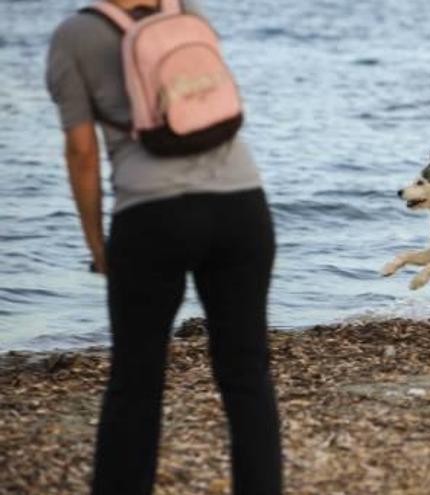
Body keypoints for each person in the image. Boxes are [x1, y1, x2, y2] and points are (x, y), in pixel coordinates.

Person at [45, 0, 283, 493]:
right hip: (242, 204)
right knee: (247, 375)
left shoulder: (73, 35)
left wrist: (98, 244)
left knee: (136, 380)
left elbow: (81, 150)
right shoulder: (184, 11)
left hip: (153, 214)